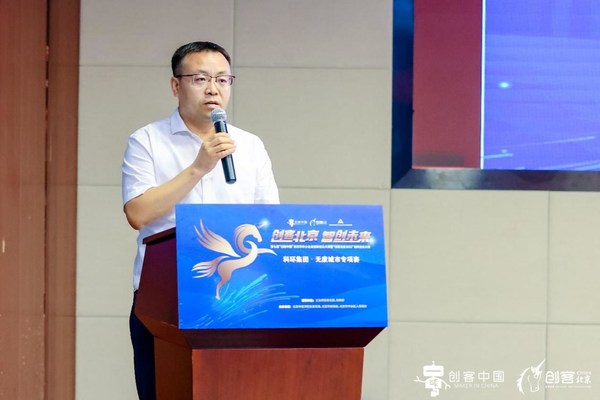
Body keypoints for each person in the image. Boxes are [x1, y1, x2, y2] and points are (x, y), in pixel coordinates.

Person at [121, 41, 279, 400]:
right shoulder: (146, 141)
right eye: (201, 78)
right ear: (176, 85)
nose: (213, 89)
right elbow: (138, 213)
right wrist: (198, 167)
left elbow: (268, 221)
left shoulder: (250, 146)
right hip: (165, 297)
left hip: (238, 295)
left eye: (223, 79)